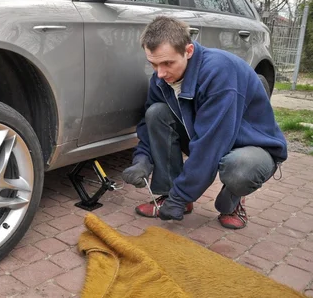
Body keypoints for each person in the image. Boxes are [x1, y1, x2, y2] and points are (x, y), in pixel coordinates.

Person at [122, 16, 288, 229]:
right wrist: (142, 159)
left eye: (167, 63)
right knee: (156, 112)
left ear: (188, 51)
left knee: (238, 169)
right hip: (209, 135)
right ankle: (169, 192)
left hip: (250, 146)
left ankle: (232, 201)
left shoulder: (219, 72)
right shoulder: (161, 79)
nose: (160, 73)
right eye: (153, 64)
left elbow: (212, 142)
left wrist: (180, 196)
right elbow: (148, 122)